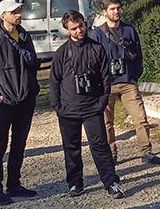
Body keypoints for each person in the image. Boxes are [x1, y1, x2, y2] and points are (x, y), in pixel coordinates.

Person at [50, 10, 124, 198]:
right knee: (71, 148)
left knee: (100, 146)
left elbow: (106, 78)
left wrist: (102, 101)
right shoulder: (61, 53)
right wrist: (57, 106)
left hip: (92, 107)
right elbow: (54, 81)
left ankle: (111, 182)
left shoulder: (97, 48)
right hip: (68, 109)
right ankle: (75, 183)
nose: (79, 31)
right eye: (74, 28)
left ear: (85, 23)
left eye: (81, 26)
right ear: (67, 30)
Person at [0, 0, 40, 205]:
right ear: (3, 15)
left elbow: (33, 64)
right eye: (14, 12)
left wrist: (32, 87)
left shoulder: (24, 36)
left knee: (19, 144)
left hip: (26, 101)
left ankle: (14, 184)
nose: (19, 14)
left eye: (19, 10)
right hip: (5, 103)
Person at [89, 0, 160, 166]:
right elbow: (93, 61)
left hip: (128, 82)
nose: (116, 11)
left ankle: (146, 151)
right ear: (104, 11)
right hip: (107, 85)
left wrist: (134, 76)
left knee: (140, 118)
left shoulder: (129, 30)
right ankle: (111, 153)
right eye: (112, 9)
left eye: (118, 8)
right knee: (107, 121)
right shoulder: (97, 34)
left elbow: (139, 55)